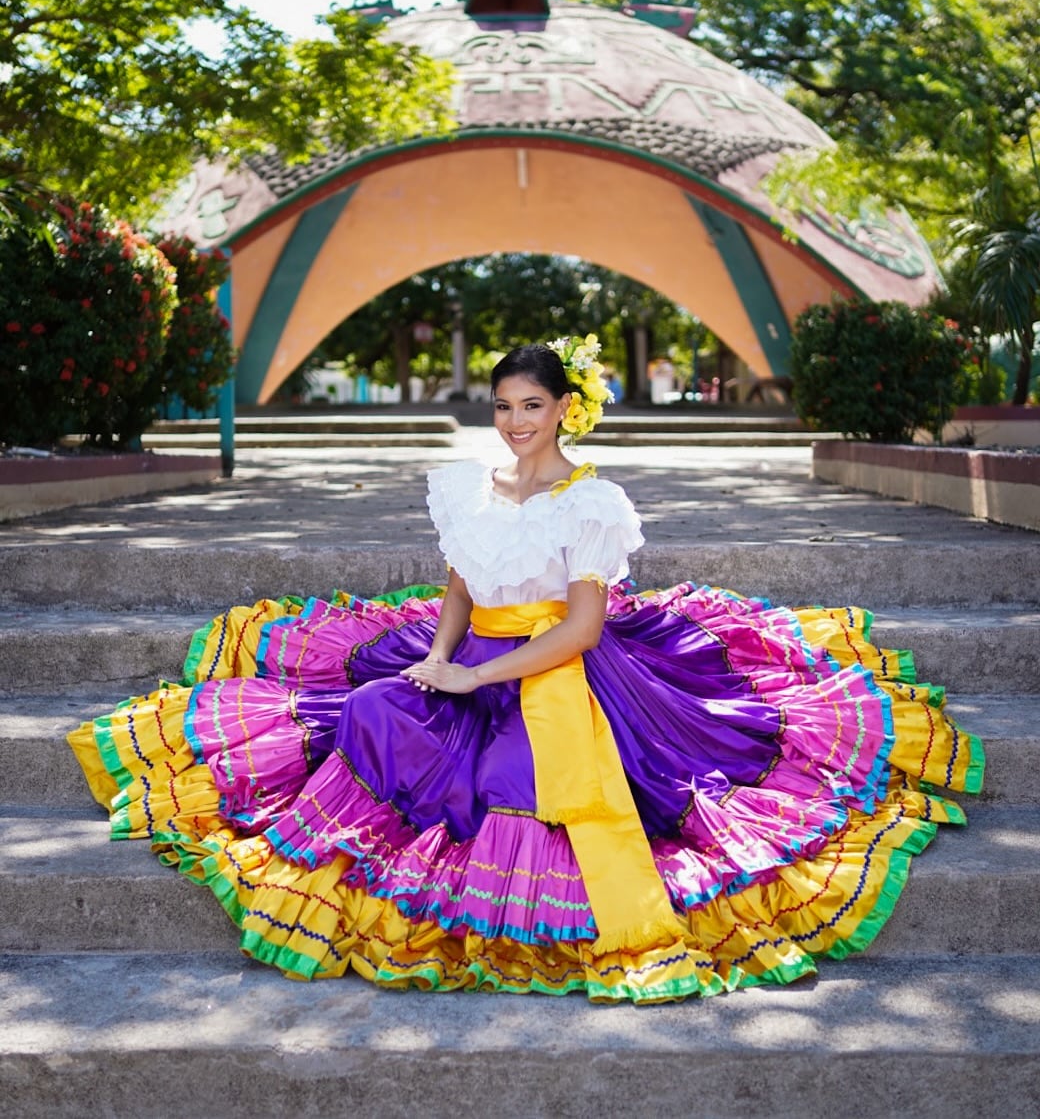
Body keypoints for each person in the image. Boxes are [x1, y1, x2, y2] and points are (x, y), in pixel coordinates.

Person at [69, 335, 983, 1003]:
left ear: (563, 410)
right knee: (371, 713)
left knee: (523, 779)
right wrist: (438, 656)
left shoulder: (592, 503)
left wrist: (481, 679)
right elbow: (459, 585)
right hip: (469, 649)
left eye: (531, 407)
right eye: (503, 406)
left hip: (559, 669)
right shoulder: (471, 486)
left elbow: (585, 630)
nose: (514, 423)